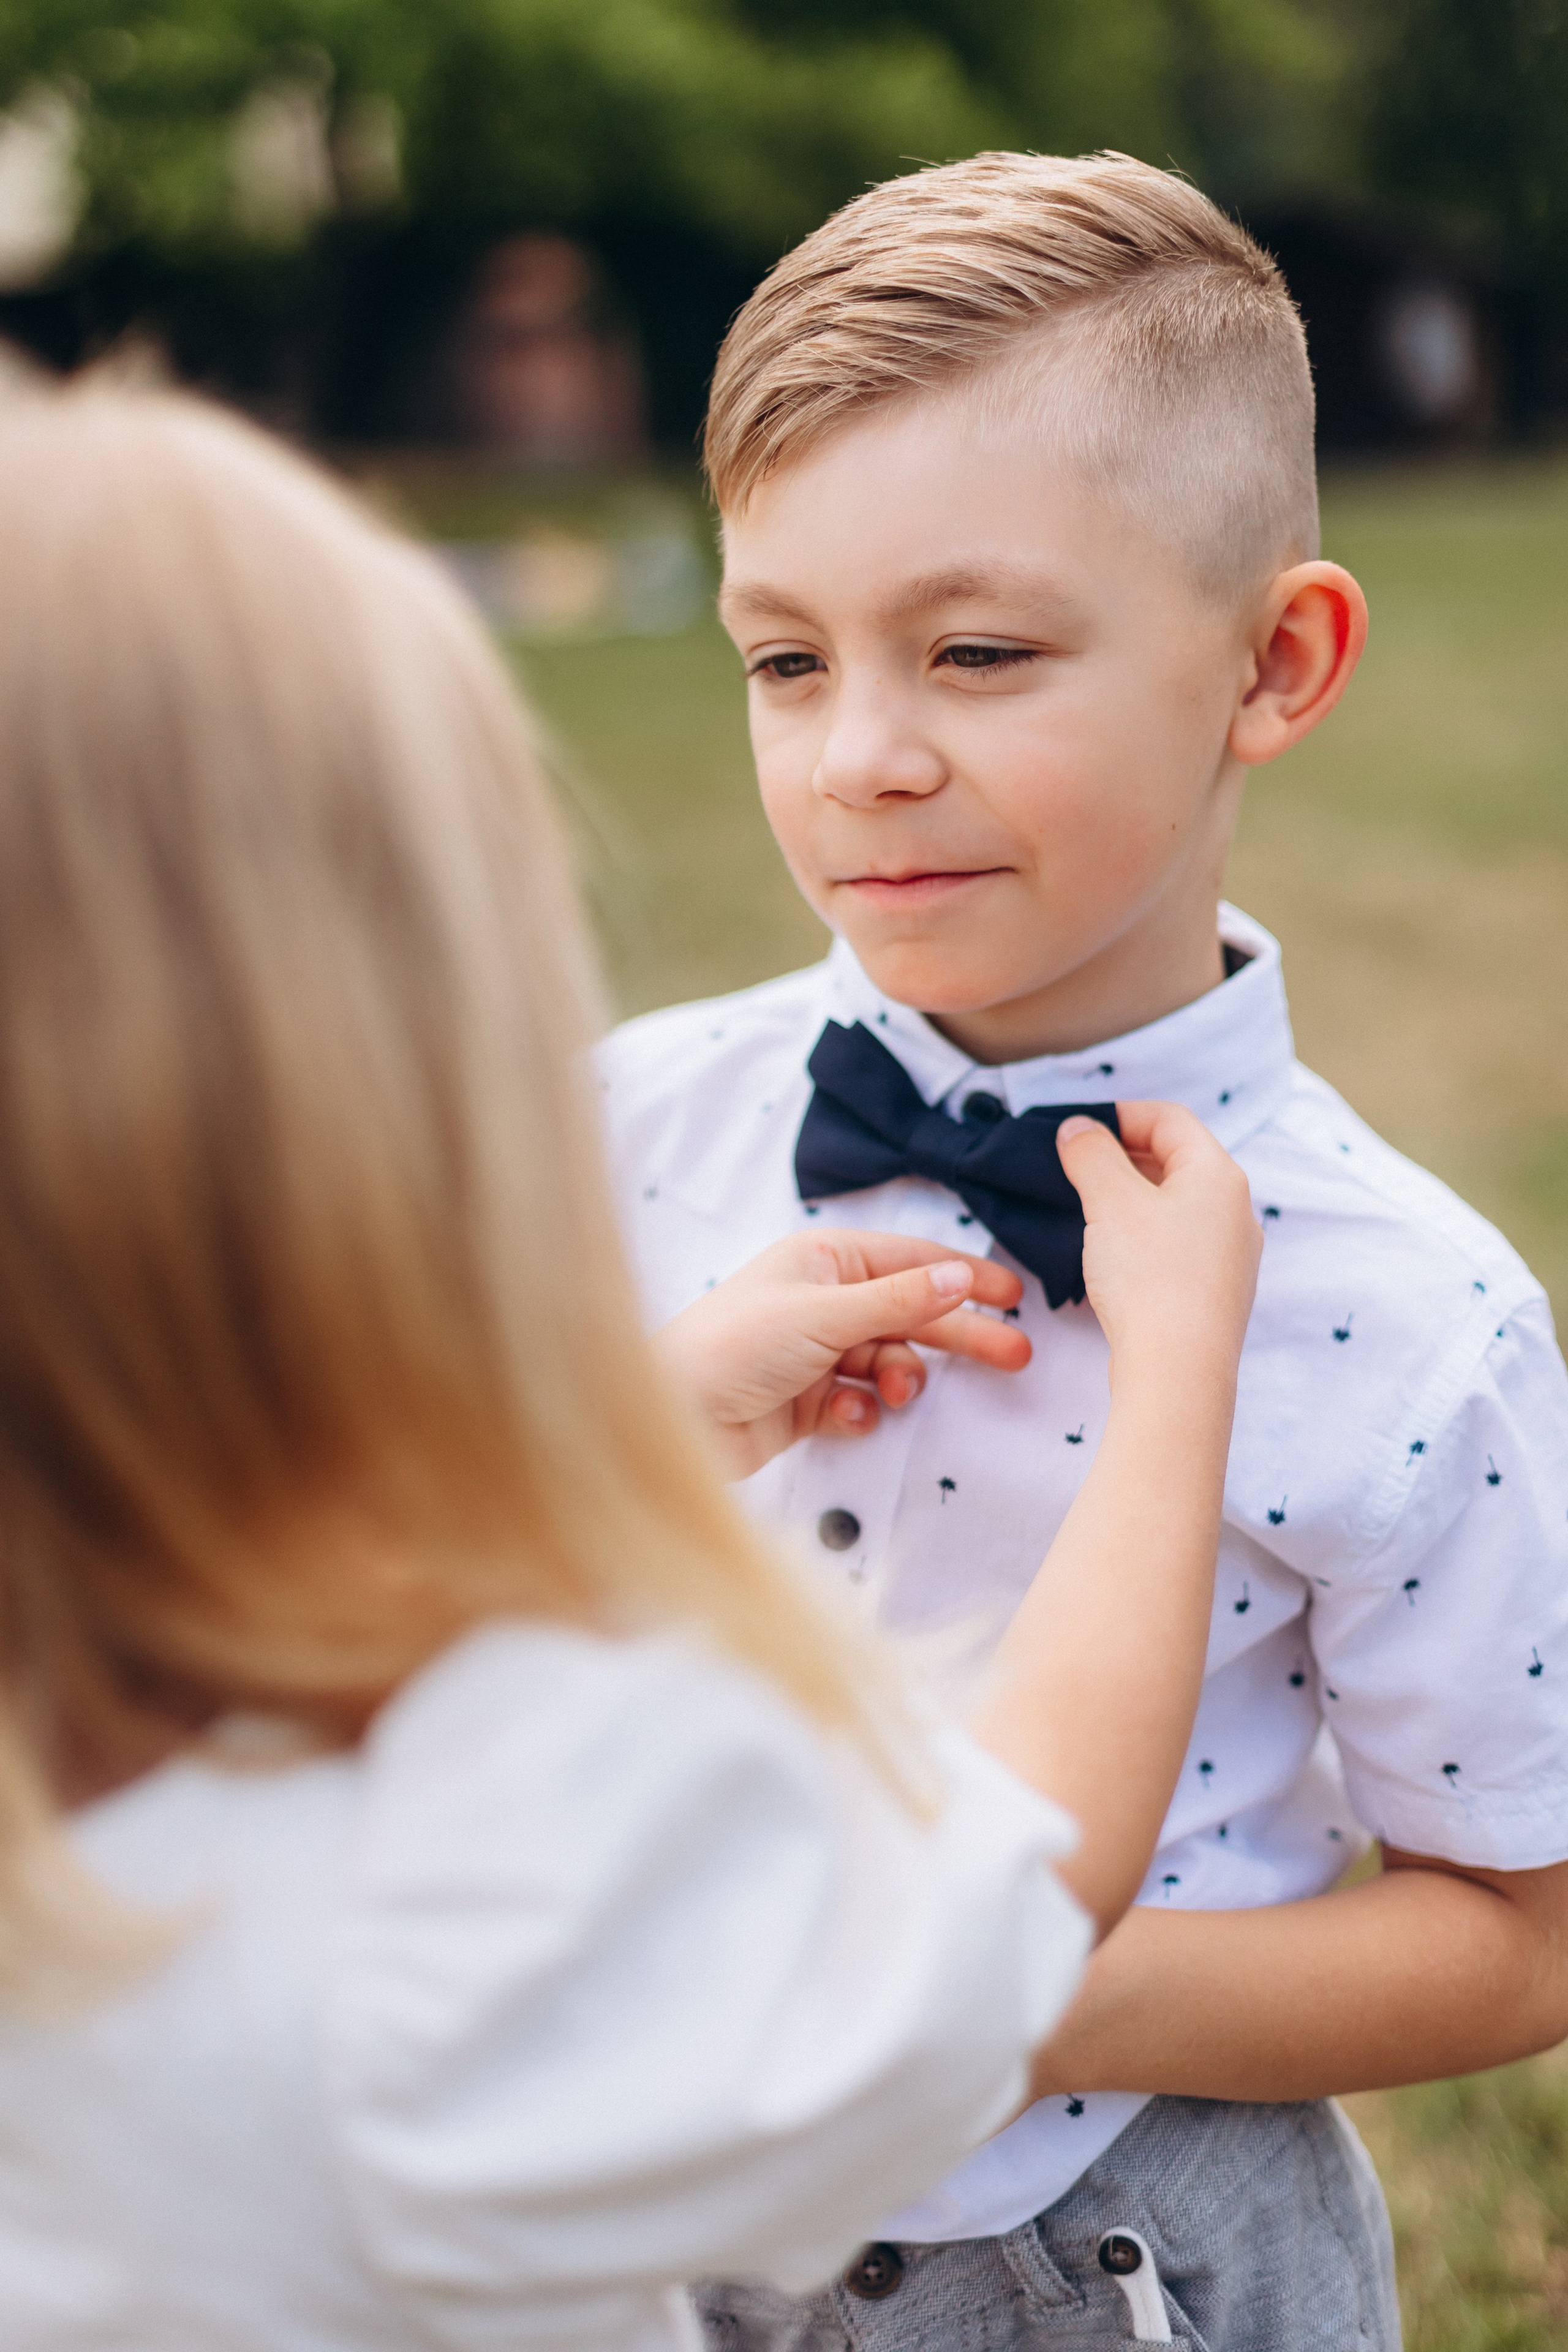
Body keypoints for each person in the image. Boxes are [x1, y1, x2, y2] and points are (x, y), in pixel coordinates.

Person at [0, 383, 1263, 2352]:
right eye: (780, 659)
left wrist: (628, 1426)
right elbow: (1010, 1901)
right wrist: (1178, 1389)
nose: (857, 756)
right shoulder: (488, 1855)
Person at [598, 151, 1568, 2350]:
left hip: (1106, 2257)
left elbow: (1522, 1932)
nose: (859, 756)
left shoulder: (1408, 1317)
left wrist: (1018, 1989)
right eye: (783, 656)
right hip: (621, 2213)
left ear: (1274, 664)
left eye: (979, 652)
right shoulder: (625, 1128)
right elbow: (386, 1598)